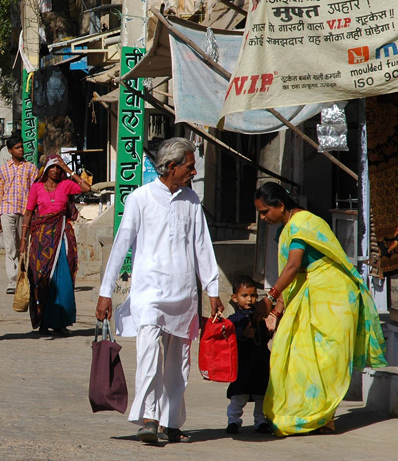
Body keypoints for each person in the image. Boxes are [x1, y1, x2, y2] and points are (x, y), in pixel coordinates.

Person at [96, 137, 222, 444]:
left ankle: (171, 420)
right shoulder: (140, 198)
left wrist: (212, 288)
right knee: (149, 355)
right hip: (149, 292)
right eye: (190, 166)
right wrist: (105, 291)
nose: (193, 172)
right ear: (171, 166)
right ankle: (149, 419)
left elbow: (202, 246)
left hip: (183, 294)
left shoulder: (191, 200)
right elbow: (121, 245)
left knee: (178, 364)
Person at [253, 182, 387, 436]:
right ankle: (302, 414)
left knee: (326, 362)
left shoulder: (304, 223)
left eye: (265, 211)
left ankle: (321, 418)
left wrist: (270, 298)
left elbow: (293, 266)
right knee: (296, 355)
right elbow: (297, 272)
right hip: (310, 292)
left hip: (333, 298)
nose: (262, 218)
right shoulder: (289, 226)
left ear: (281, 206)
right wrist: (278, 307)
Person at [18, 154, 89, 336]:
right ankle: (43, 321)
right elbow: (28, 213)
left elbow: (86, 187)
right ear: (46, 169)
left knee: (63, 279)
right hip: (41, 240)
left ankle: (61, 322)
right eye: (53, 167)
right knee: (41, 279)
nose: (56, 171)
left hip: (62, 238)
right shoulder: (36, 187)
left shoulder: (66, 185)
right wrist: (23, 241)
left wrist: (68, 170)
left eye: (58, 168)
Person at [225, 276, 272, 434]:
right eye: (244, 296)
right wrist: (243, 334)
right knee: (239, 396)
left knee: (262, 395)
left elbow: (264, 337)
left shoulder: (260, 316)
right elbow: (230, 340)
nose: (249, 300)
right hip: (243, 365)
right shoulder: (234, 320)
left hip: (260, 363)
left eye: (252, 296)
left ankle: (260, 421)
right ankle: (233, 421)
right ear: (234, 298)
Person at [0, 134, 39, 295]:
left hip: (25, 212)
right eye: (17, 148)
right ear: (10, 150)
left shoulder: (31, 168)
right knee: (10, 247)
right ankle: (13, 280)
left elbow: (35, 192)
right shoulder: (3, 170)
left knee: (24, 246)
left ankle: (23, 276)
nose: (21, 150)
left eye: (21, 147)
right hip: (7, 211)